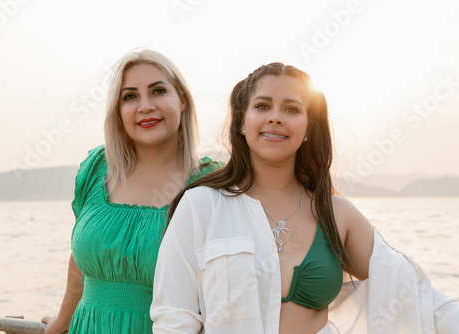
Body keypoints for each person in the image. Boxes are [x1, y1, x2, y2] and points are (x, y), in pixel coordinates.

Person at [150, 62, 459, 333]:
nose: (275, 117)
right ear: (242, 122)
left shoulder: (337, 214)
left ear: (308, 128)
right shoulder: (201, 205)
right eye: (262, 106)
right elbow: (174, 319)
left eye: (292, 109)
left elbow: (416, 296)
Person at [41, 48, 223, 334]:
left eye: (158, 91)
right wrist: (62, 321)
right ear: (118, 110)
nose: (145, 106)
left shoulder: (213, 184)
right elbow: (79, 261)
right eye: (130, 96)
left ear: (183, 100)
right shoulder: (97, 168)